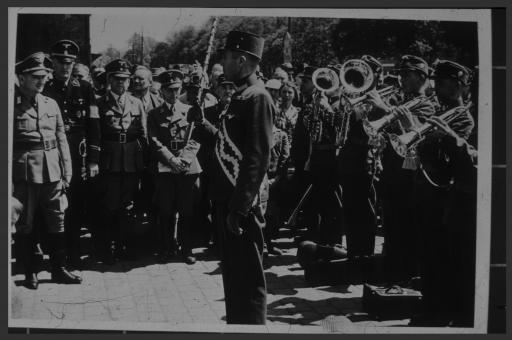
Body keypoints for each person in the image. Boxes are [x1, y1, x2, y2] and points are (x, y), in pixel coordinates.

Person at [190, 30, 273, 325]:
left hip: (242, 203)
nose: (222, 63)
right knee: (234, 276)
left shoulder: (257, 96)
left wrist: (239, 207)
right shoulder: (240, 95)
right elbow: (225, 144)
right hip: (226, 197)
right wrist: (200, 122)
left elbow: (257, 157)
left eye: (226, 58)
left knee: (248, 278)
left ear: (240, 60)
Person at [406, 60, 476, 327]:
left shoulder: (463, 118)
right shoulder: (438, 112)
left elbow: (453, 165)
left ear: (456, 85)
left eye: (442, 84)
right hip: (425, 191)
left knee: (440, 256)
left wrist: (440, 137)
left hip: (443, 196)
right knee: (427, 253)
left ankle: (438, 309)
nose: (436, 88)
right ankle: (430, 303)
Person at [13, 52, 82, 289]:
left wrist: (67, 171)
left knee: (57, 220)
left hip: (53, 171)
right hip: (25, 173)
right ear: (21, 78)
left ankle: (59, 269)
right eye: (35, 76)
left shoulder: (50, 103)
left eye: (44, 76)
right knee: (27, 223)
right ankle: (30, 271)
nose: (41, 81)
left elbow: (61, 137)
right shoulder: (11, 103)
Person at [366, 55, 436, 283]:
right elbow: (392, 132)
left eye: (407, 74)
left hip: (410, 176)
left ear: (421, 77)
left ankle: (405, 275)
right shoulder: (403, 100)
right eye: (401, 73)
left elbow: (415, 135)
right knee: (392, 224)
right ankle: (392, 271)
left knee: (406, 226)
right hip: (393, 171)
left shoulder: (427, 104)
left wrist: (384, 108)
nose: (401, 78)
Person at [43, 40, 100, 268]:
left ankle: (74, 254)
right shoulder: (45, 88)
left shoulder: (85, 88)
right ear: (53, 63)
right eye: (60, 62)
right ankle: (55, 254)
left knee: (76, 205)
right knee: (53, 206)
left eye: (69, 62)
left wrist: (94, 160)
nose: (65, 66)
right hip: (53, 155)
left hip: (79, 156)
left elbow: (94, 125)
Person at [95, 59, 147, 264]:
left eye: (125, 80)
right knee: (110, 205)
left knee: (128, 206)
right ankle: (107, 248)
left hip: (132, 161)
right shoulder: (100, 103)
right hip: (110, 161)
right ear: (109, 80)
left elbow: (143, 134)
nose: (121, 83)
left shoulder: (136, 102)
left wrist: (144, 162)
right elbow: (96, 135)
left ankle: (124, 246)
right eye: (117, 79)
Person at [147, 69, 201, 265]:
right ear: (161, 91)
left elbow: (196, 138)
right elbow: (153, 141)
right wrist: (172, 160)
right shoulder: (153, 114)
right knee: (166, 210)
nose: (174, 94)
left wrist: (184, 160)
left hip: (187, 165)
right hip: (166, 166)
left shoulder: (190, 110)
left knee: (187, 210)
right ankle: (167, 248)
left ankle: (187, 249)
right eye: (169, 90)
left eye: (177, 89)